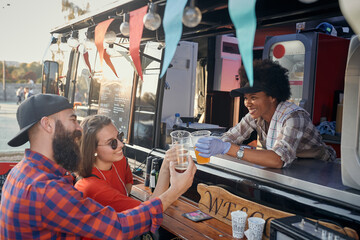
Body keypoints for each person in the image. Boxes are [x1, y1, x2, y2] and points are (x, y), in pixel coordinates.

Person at [0, 94, 197, 239]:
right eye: (73, 119)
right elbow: (119, 227)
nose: (79, 128)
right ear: (48, 124)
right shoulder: (46, 189)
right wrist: (176, 189)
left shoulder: (19, 173)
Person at [195, 59, 336, 168]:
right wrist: (214, 143)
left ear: (272, 96)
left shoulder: (294, 116)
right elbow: (231, 136)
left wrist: (227, 148)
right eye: (246, 98)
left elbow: (277, 160)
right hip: (292, 167)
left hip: (318, 169)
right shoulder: (255, 116)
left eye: (254, 97)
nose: (248, 103)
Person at [75, 115, 179, 240]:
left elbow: (128, 184)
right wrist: (167, 168)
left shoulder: (118, 160)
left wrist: (122, 203)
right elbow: (150, 210)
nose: (121, 144)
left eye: (119, 137)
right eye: (112, 143)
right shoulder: (92, 187)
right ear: (93, 150)